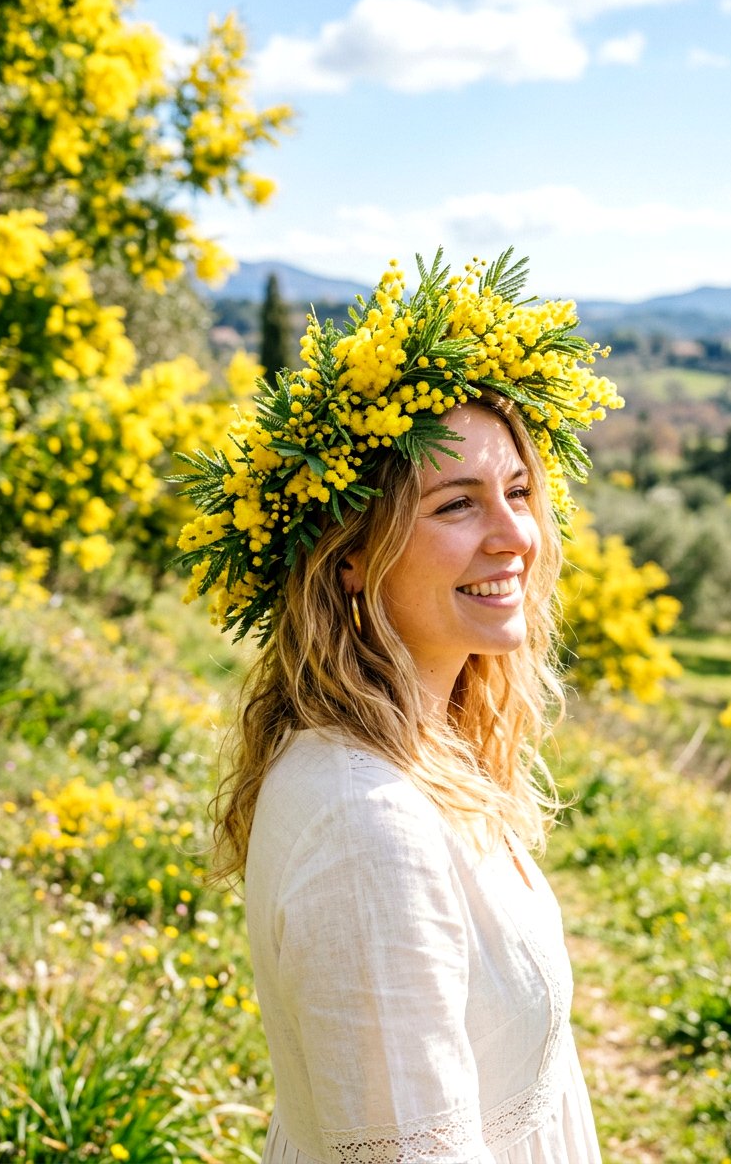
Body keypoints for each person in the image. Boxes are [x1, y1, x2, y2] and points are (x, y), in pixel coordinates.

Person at [175, 248, 623, 1164]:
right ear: (349, 554)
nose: (516, 539)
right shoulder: (368, 828)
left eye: (519, 491)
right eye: (457, 503)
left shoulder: (426, 751)